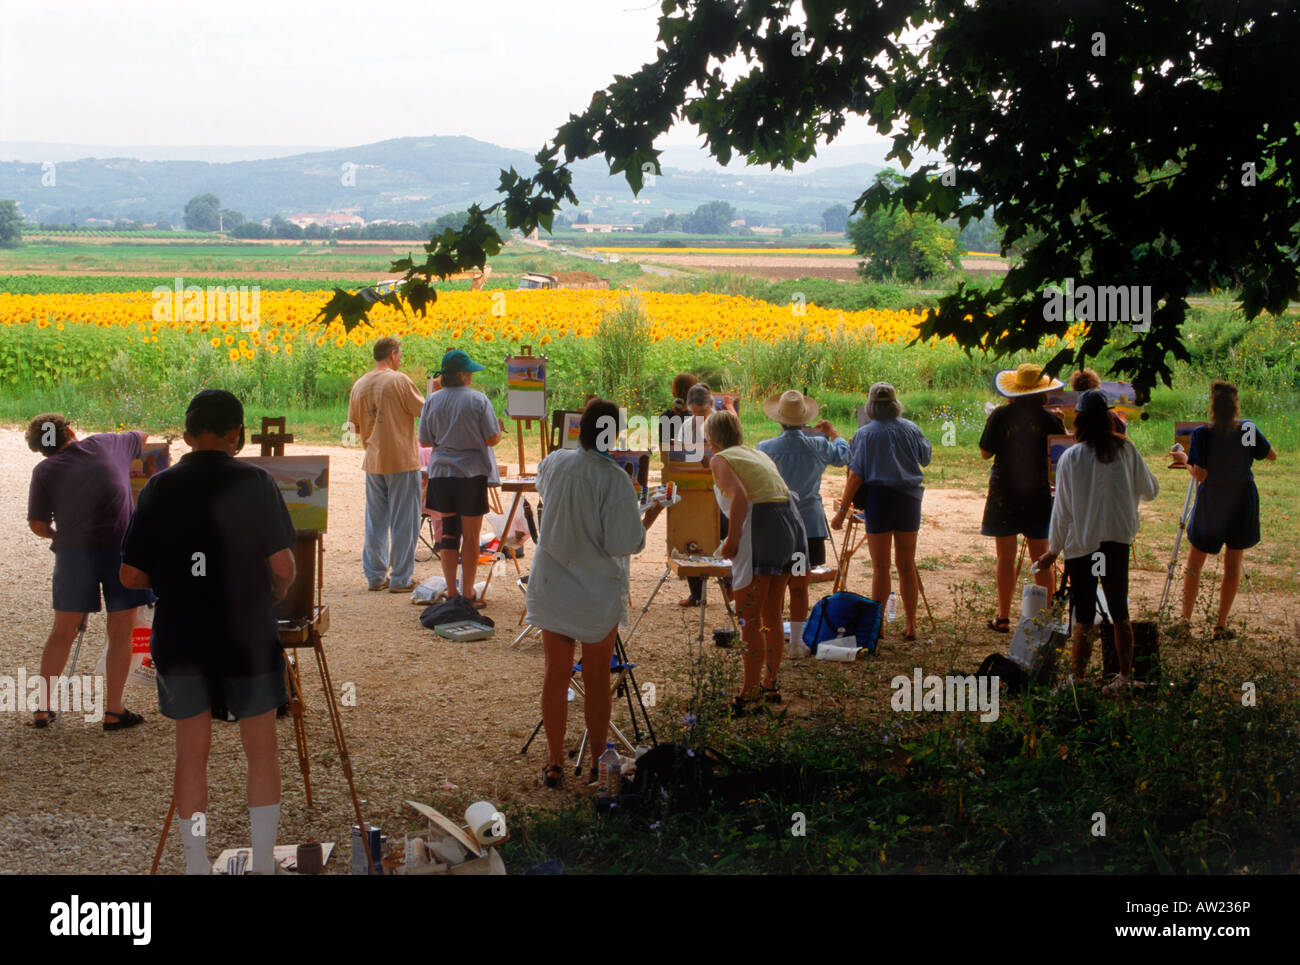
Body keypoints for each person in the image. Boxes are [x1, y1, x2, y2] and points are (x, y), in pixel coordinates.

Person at [120, 390, 297, 875]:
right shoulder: (258, 482)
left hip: (182, 637)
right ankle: (263, 864)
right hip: (248, 635)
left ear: (188, 434)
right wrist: (273, 594)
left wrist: (176, 577)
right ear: (236, 435)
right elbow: (283, 566)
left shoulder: (159, 487)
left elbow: (130, 577)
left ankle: (196, 864)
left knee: (190, 756)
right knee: (261, 750)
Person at [525, 399, 657, 788]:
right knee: (598, 678)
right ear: (612, 436)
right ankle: (601, 759)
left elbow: (547, 490)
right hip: (595, 589)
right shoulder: (614, 478)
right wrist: (650, 514)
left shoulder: (554, 462)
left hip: (552, 582)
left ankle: (553, 762)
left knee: (556, 672)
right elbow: (626, 543)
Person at [25, 414, 151, 730]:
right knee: (121, 630)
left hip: (73, 555)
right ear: (69, 430)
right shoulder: (108, 443)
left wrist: (59, 536)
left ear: (42, 448)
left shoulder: (44, 471)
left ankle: (42, 708)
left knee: (62, 632)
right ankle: (113, 711)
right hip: (122, 549)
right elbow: (144, 435)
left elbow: (38, 525)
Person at [1034, 390, 1159, 690]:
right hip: (1117, 540)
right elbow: (1151, 489)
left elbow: (1062, 511)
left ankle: (1077, 678)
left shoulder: (1071, 458)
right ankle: (1124, 678)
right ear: (1108, 418)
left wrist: (1053, 551)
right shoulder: (1126, 450)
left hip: (1082, 544)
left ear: (1079, 421)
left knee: (1084, 615)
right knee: (1120, 612)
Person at [705, 409, 808, 709]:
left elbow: (739, 497)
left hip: (762, 526)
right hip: (790, 523)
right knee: (771, 615)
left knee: (749, 617)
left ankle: (749, 691)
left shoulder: (720, 459)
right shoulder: (756, 454)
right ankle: (769, 684)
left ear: (711, 439)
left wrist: (732, 541)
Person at [1172, 380, 1278, 637]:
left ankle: (1185, 622)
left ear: (1212, 406)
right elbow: (1271, 455)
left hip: (1213, 504)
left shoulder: (1202, 434)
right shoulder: (1248, 429)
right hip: (1242, 502)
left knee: (1194, 563)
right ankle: (1220, 626)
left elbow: (1200, 475)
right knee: (1233, 564)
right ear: (1235, 406)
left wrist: (1184, 460)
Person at [831, 383, 931, 640]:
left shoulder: (865, 434)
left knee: (881, 567)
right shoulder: (911, 428)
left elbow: (855, 477)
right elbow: (926, 457)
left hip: (879, 501)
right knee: (906, 565)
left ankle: (879, 626)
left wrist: (842, 512)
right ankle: (910, 624)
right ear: (896, 404)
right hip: (909, 499)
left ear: (870, 407)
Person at [757, 390, 849, 651]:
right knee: (799, 584)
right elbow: (843, 456)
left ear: (779, 419)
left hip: (775, 525)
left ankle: (769, 638)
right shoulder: (819, 445)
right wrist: (833, 433)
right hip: (808, 525)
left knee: (773, 587)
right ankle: (797, 642)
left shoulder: (766, 448)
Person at [979, 363, 1065, 633]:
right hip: (1038, 492)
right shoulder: (1052, 419)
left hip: (1004, 492)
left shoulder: (1000, 416)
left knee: (1005, 557)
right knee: (1042, 559)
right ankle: (1046, 618)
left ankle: (1003, 617)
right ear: (1042, 391)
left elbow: (985, 453)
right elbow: (1060, 459)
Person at [417, 349, 503, 608]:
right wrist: (498, 431)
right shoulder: (479, 400)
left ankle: (451, 592)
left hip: (442, 473)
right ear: (463, 375)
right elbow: (490, 439)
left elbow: (424, 440)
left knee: (449, 535)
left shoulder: (432, 400)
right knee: (472, 536)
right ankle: (468, 593)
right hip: (470, 473)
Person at [347, 336, 425, 593]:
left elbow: (354, 426)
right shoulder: (399, 380)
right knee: (405, 520)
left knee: (375, 519)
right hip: (401, 458)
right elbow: (423, 410)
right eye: (400, 354)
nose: (401, 359)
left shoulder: (360, 384)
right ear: (392, 354)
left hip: (373, 459)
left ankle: (375, 575)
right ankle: (401, 578)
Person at [678, 383, 733, 606]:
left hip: (719, 484)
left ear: (711, 405)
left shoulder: (721, 422)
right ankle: (697, 594)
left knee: (723, 533)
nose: (698, 417)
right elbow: (679, 453)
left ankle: (729, 585)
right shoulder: (686, 425)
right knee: (694, 534)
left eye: (702, 412)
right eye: (694, 413)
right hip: (695, 485)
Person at [1069, 368, 1126, 433]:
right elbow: (1121, 432)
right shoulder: (1108, 415)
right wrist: (1122, 420)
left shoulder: (1077, 412)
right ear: (1095, 384)